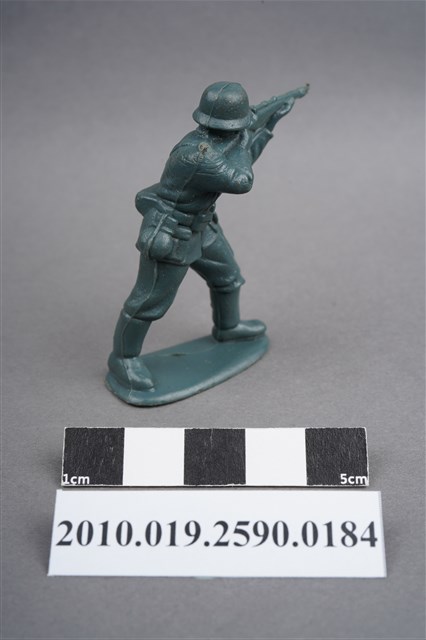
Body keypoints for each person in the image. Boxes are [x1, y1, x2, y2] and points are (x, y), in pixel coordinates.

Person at [107, 81, 298, 393]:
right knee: (149, 302)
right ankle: (123, 358)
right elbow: (241, 180)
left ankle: (228, 327)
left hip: (202, 227)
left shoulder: (223, 145)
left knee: (228, 277)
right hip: (173, 232)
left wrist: (269, 125)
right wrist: (246, 136)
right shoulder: (197, 154)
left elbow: (242, 158)